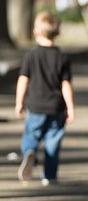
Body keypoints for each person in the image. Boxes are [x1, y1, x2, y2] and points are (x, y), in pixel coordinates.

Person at [15, 11, 75, 186]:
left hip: (35, 106)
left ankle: (30, 152)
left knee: (32, 134)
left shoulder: (30, 56)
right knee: (53, 143)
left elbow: (23, 80)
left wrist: (19, 102)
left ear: (36, 32)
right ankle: (49, 175)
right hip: (56, 108)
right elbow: (66, 85)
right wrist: (70, 107)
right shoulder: (62, 58)